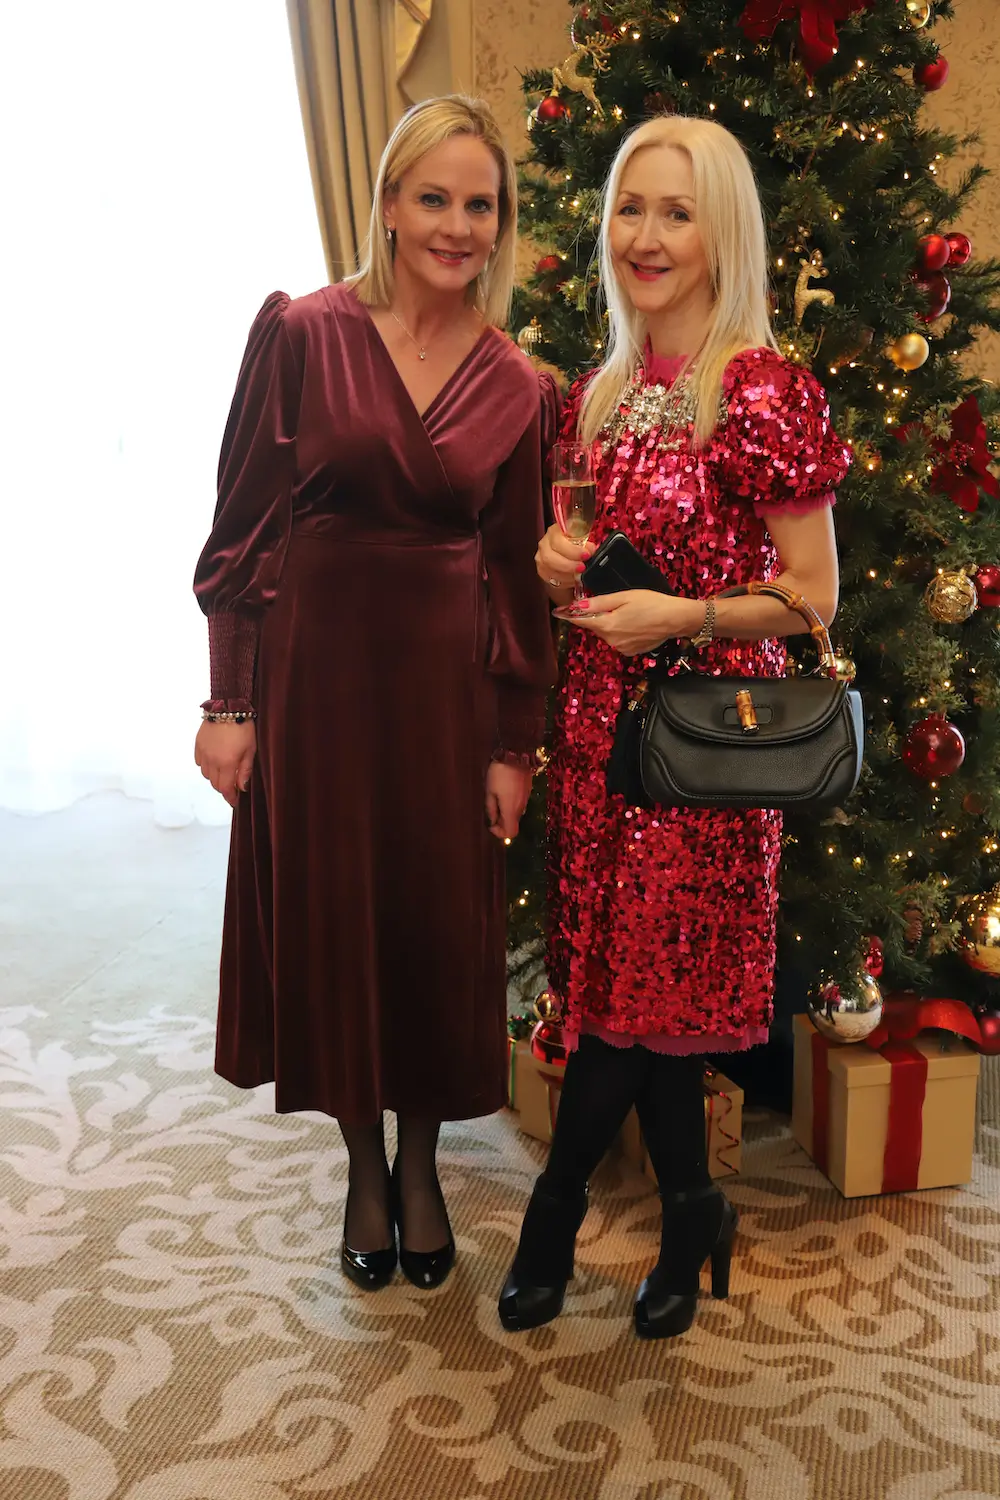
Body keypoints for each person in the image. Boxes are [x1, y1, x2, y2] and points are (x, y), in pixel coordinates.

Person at [194, 95, 556, 1294]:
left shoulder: (519, 383)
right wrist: (229, 703)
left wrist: (513, 740)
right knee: (336, 913)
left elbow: (517, 575)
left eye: (479, 204)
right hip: (317, 681)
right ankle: (362, 1163)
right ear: (389, 204)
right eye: (433, 197)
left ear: (500, 222)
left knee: (435, 924)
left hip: (446, 694)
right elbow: (242, 531)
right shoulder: (303, 333)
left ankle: (422, 1163)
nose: (457, 225)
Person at [499, 115, 848, 1338]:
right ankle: (694, 1209)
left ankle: (552, 1215)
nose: (644, 237)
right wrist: (559, 569)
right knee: (619, 991)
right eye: (630, 209)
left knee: (640, 999)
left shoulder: (760, 390)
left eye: (676, 212)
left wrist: (685, 614)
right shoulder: (601, 392)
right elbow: (584, 568)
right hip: (601, 730)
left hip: (706, 742)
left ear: (721, 233)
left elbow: (813, 597)